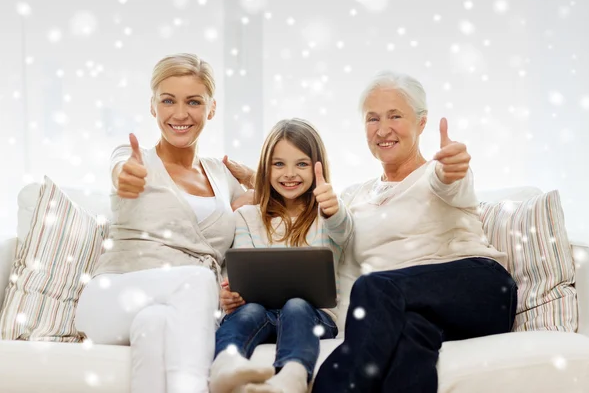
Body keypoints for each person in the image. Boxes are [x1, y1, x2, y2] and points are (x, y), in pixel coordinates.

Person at [224, 72, 518, 393]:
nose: (383, 129)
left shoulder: (436, 174)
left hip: (480, 292)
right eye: (372, 118)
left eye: (395, 116)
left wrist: (453, 169)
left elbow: (452, 183)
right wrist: (262, 178)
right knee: (409, 341)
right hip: (413, 311)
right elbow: (303, 197)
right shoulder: (355, 196)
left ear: (421, 124)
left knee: (375, 287)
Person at [75, 53, 253, 393]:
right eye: (168, 100)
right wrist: (125, 176)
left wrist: (255, 177)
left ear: (211, 108)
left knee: (156, 324)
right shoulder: (134, 157)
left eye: (194, 102)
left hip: (166, 310)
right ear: (153, 106)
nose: (180, 113)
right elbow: (120, 169)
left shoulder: (222, 175)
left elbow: (282, 195)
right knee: (200, 280)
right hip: (110, 298)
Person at [209, 119, 353, 393]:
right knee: (249, 310)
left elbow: (344, 230)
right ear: (265, 168)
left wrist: (333, 208)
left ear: (317, 167)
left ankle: (293, 375)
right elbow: (240, 272)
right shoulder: (246, 217)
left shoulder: (328, 214)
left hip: (315, 317)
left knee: (296, 305)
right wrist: (230, 295)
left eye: (301, 164)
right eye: (278, 164)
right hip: (259, 312)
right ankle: (224, 367)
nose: (289, 174)